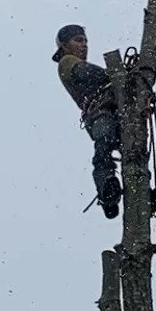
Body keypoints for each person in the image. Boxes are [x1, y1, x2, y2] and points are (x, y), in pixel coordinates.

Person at [52, 24, 121, 218]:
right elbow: (85, 73)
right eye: (78, 40)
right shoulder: (67, 61)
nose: (84, 45)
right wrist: (115, 75)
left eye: (85, 41)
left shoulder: (74, 60)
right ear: (65, 46)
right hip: (100, 114)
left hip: (118, 114)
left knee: (135, 151)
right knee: (104, 146)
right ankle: (107, 191)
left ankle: (138, 196)